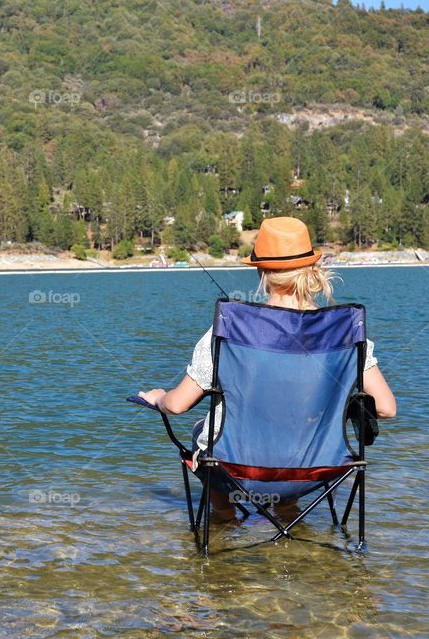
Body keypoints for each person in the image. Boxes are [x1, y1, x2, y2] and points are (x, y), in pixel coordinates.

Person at [138, 217, 396, 518]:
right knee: (297, 438)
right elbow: (387, 408)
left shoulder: (228, 330)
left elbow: (178, 405)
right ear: (312, 267)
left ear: (262, 272)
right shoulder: (344, 334)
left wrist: (157, 398)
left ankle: (225, 519)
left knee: (203, 432)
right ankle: (286, 513)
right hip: (315, 467)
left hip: (235, 466)